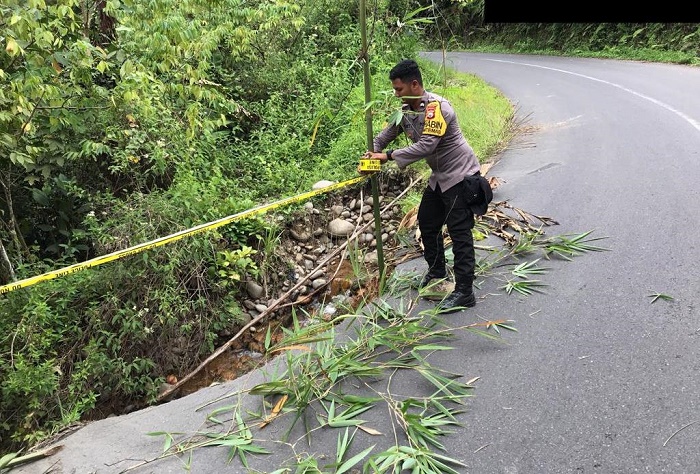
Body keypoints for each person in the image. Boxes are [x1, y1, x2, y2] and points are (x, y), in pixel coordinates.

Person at [363, 58, 481, 312]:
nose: (396, 95)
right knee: (427, 223)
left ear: (414, 84)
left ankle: (464, 291)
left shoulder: (437, 108)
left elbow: (427, 145)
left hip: (460, 176)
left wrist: (388, 156)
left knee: (460, 234)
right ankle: (437, 271)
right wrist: (372, 153)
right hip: (439, 178)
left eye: (399, 89)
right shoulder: (405, 110)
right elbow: (385, 135)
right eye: (394, 90)